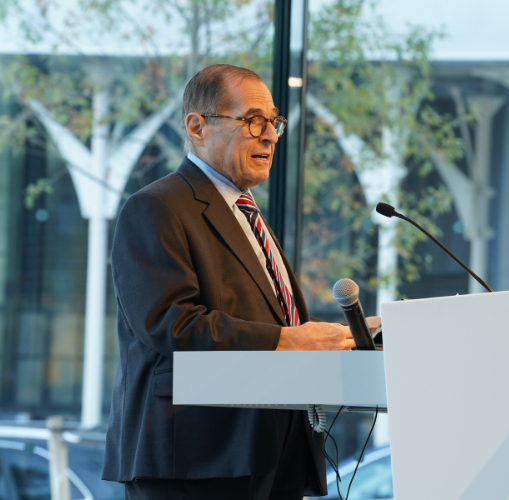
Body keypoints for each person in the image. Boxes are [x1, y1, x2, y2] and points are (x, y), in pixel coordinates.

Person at [102, 64, 355, 499]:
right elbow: (172, 324)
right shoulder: (157, 207)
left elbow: (268, 318)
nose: (271, 135)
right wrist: (288, 340)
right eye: (254, 121)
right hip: (195, 460)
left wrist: (340, 340)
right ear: (197, 127)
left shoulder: (246, 213)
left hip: (272, 452)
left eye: (274, 122)